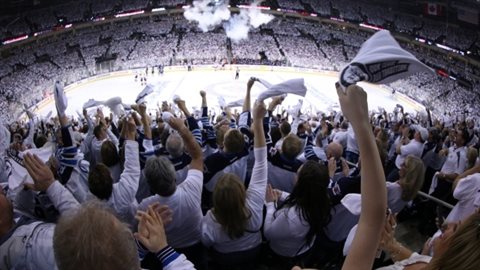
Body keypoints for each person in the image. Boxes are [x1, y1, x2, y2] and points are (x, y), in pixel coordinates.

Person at [201, 99, 267, 269]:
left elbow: (205, 242)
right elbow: (261, 161)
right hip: (254, 251)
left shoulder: (211, 220)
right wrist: (258, 121)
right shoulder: (254, 206)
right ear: (242, 192)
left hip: (224, 259)